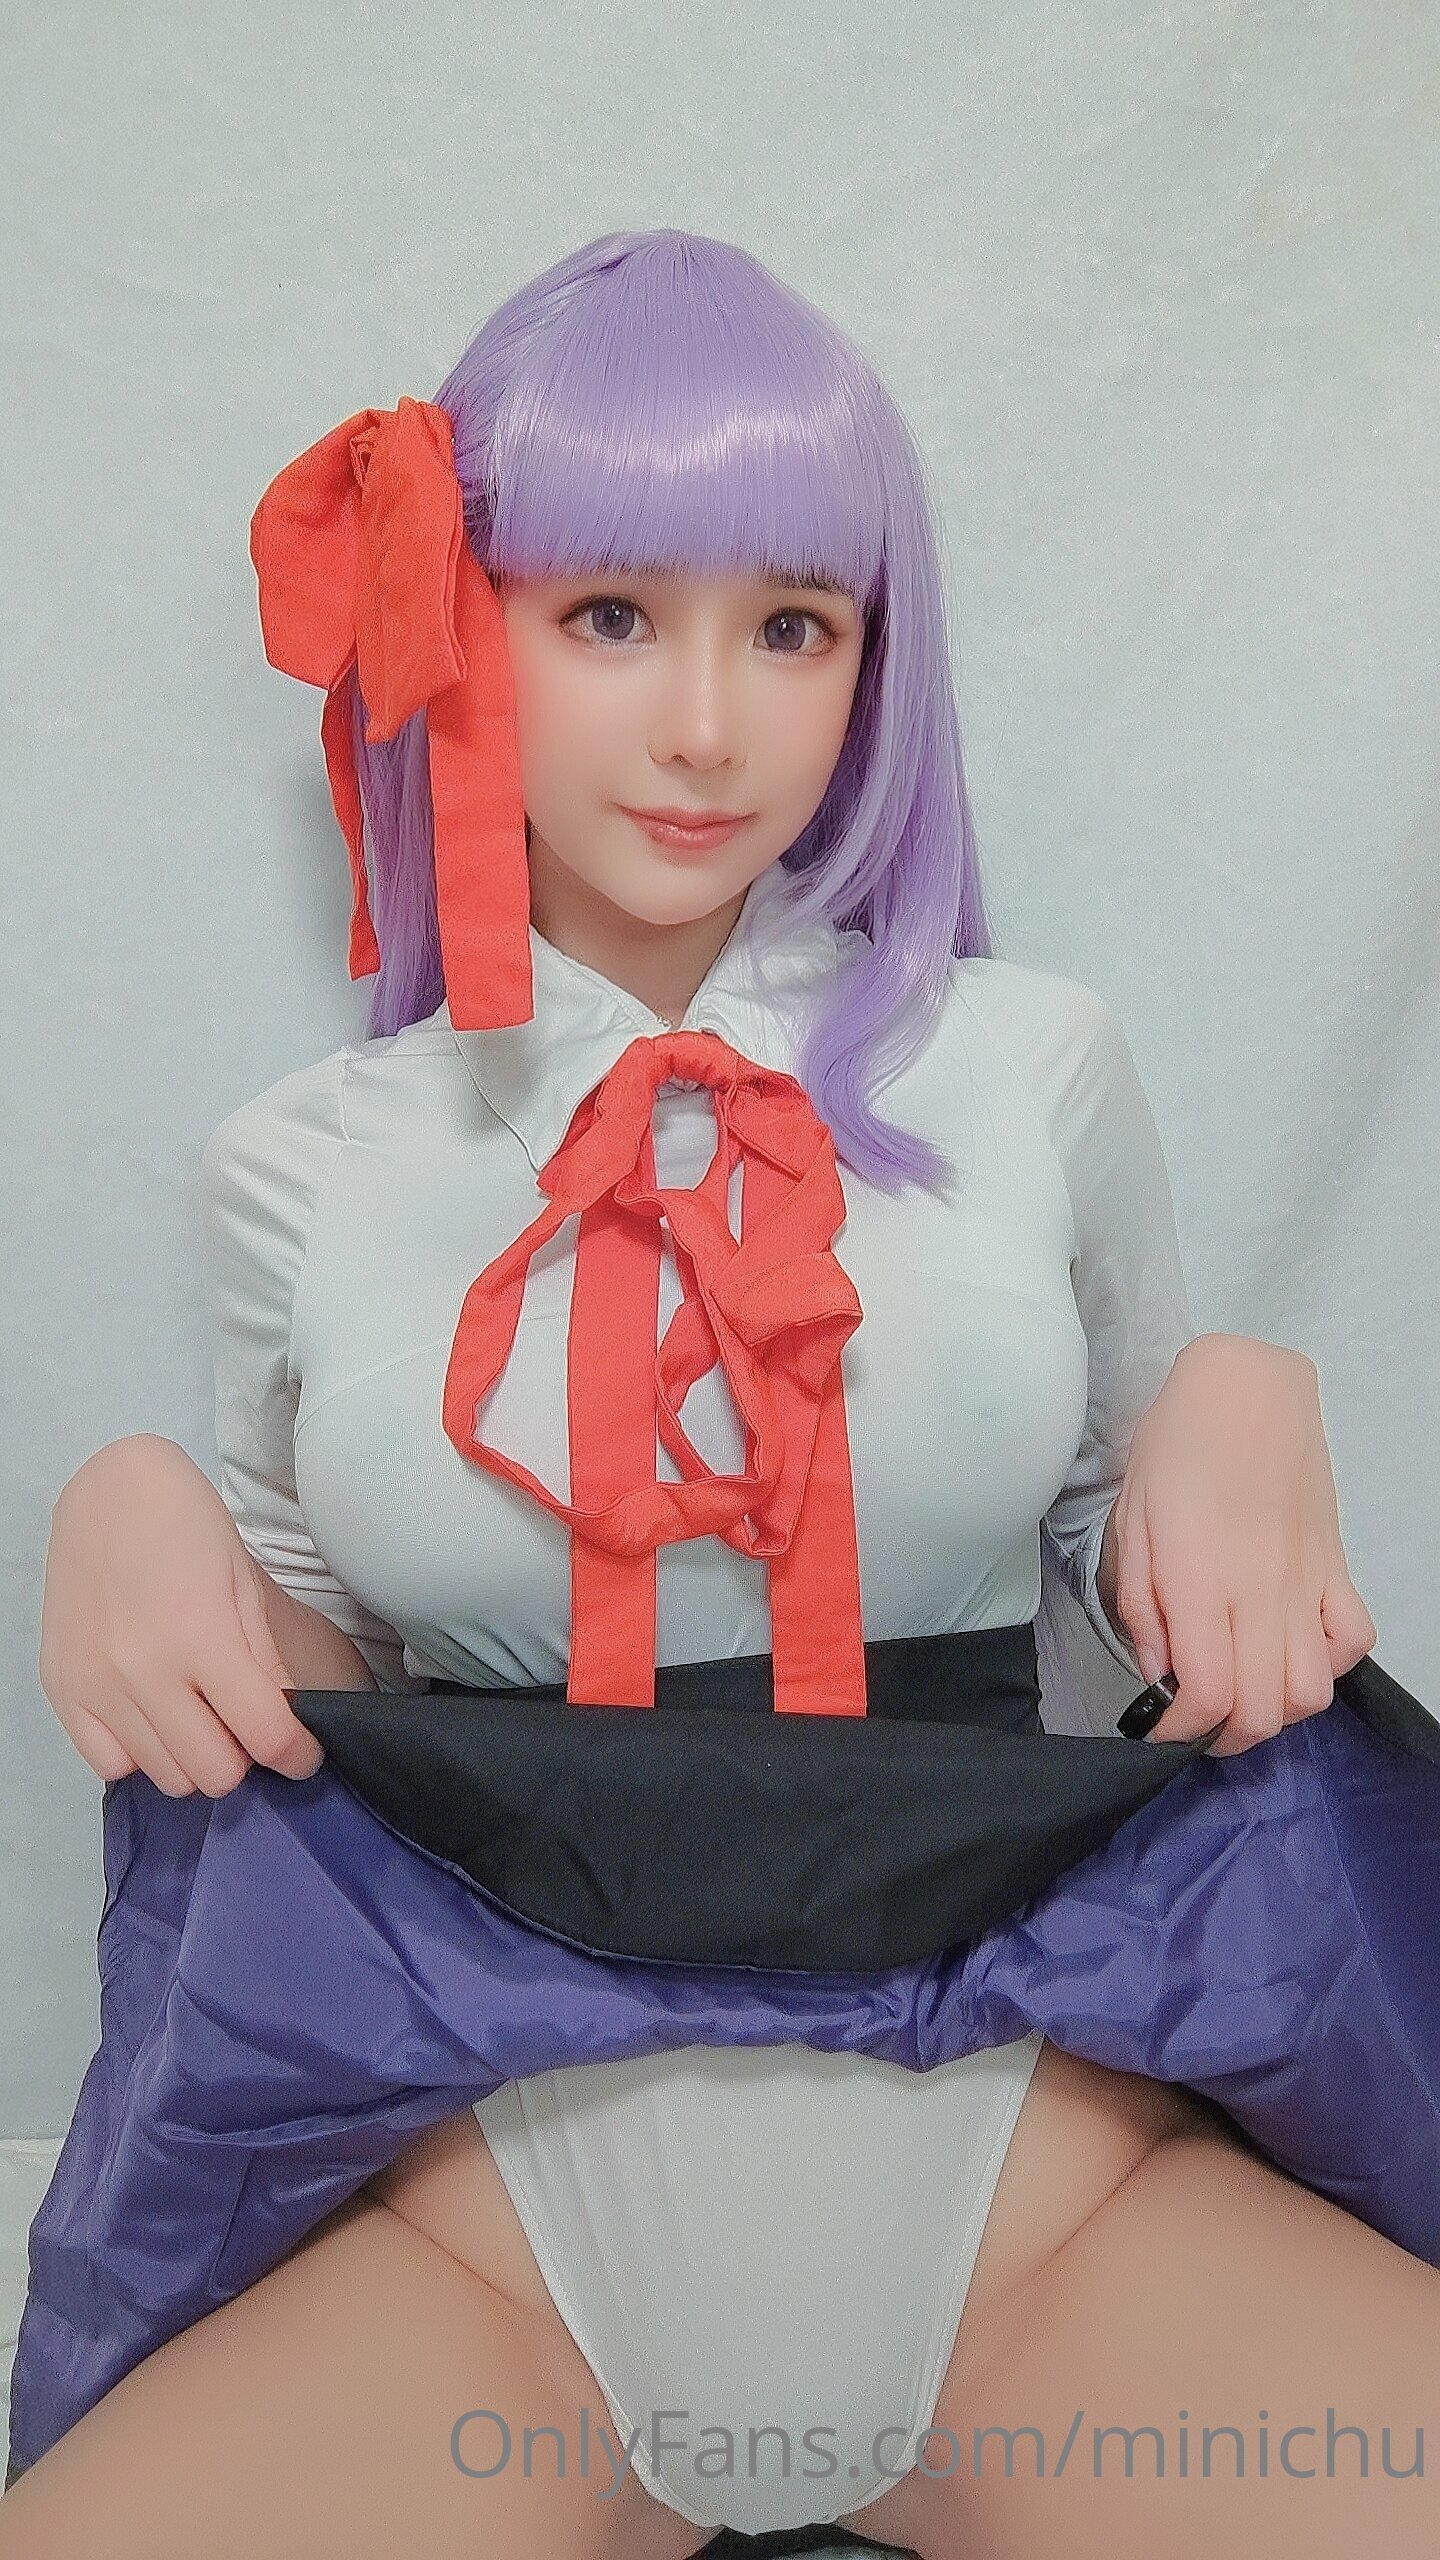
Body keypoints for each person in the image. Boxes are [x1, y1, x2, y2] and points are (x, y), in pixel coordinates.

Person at [6, 228, 1435, 2560]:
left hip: (1041, 2211)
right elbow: (306, 1712)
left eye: (794, 625)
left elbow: (1147, 1577)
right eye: (608, 615)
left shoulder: (1033, 1061)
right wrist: (129, 1508)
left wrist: (1243, 1397)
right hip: (492, 2258)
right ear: (456, 628)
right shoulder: (306, 1163)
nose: (707, 726)